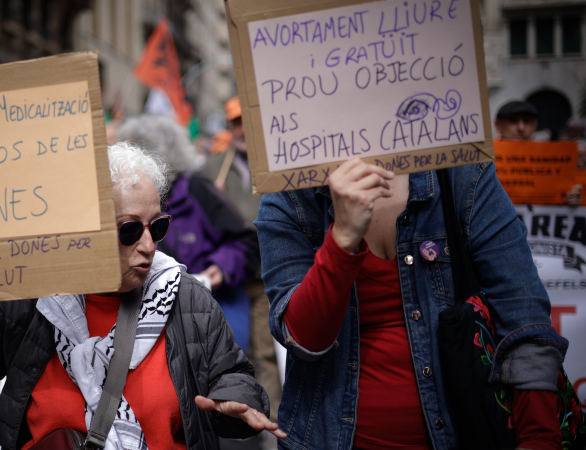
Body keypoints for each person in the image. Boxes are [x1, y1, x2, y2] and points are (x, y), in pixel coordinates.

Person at [0, 142, 285, 450]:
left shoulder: (186, 297)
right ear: (86, 230)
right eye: (129, 230)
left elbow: (233, 374)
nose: (149, 245)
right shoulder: (31, 299)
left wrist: (234, 400)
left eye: (158, 226)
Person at [256, 157, 567, 449]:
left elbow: (522, 309)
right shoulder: (290, 193)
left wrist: (538, 436)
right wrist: (342, 239)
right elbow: (304, 340)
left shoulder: (461, 172)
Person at [117, 114, 260, 352]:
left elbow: (245, 241)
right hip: (147, 317)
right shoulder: (122, 198)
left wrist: (221, 268)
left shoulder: (196, 189)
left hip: (210, 307)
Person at [202, 96, 282, 428]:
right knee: (232, 352)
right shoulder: (212, 169)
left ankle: (270, 423)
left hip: (268, 277)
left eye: (247, 121)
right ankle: (238, 420)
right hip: (228, 283)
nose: (242, 130)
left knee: (265, 353)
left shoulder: (280, 163)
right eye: (235, 123)